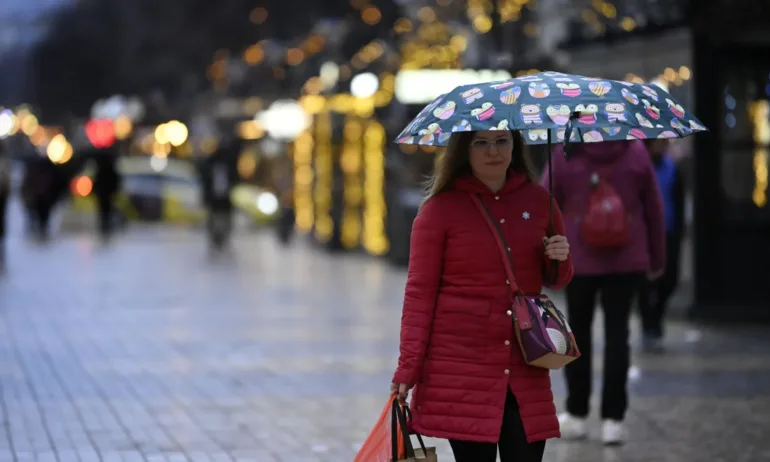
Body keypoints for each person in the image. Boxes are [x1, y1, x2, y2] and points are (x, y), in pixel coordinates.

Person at [391, 130, 573, 462]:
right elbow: (419, 295)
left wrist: (559, 256)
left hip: (524, 362)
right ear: (464, 149)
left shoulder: (539, 202)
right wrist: (408, 369)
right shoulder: (439, 210)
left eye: (502, 141)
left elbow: (556, 279)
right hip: (462, 368)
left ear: (515, 145)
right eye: (481, 142)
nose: (493, 151)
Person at [542, 140, 665, 445]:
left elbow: (543, 204)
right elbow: (654, 207)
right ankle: (613, 420)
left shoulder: (564, 153)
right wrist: (658, 258)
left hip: (578, 258)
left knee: (578, 334)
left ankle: (577, 414)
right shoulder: (636, 152)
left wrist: (543, 260)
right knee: (618, 336)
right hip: (627, 258)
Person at [638, 139, 685, 352]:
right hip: (643, 233)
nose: (663, 145)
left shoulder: (672, 169)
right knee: (644, 284)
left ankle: (656, 318)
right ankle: (649, 325)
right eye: (659, 142)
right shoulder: (638, 166)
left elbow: (679, 201)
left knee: (670, 279)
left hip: (668, 231)